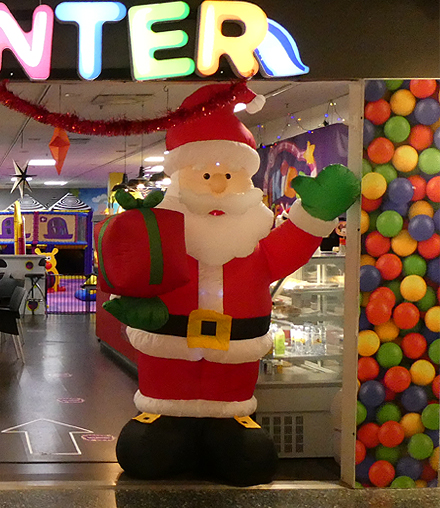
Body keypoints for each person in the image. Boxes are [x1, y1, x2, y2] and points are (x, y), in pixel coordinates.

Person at [103, 83, 358, 486]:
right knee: (147, 451)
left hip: (233, 375)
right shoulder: (164, 235)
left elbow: (284, 252)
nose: (219, 185)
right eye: (206, 175)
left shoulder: (252, 243)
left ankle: (228, 424)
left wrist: (314, 214)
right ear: (180, 177)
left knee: (247, 458)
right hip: (167, 368)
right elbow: (135, 267)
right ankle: (167, 419)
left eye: (228, 175)